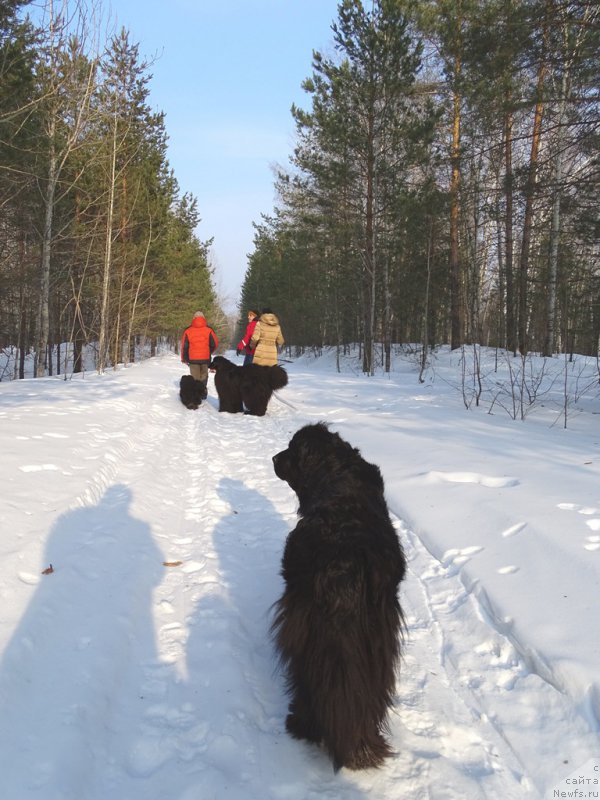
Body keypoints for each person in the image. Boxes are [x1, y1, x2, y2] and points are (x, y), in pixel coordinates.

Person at [180, 311, 219, 398]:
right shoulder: (209, 330)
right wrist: (209, 351)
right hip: (205, 358)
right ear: (204, 318)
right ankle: (203, 393)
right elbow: (215, 343)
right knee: (204, 376)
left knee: (195, 377)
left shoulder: (188, 331)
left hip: (193, 358)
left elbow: (184, 346)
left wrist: (184, 358)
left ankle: (196, 394)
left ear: (193, 318)